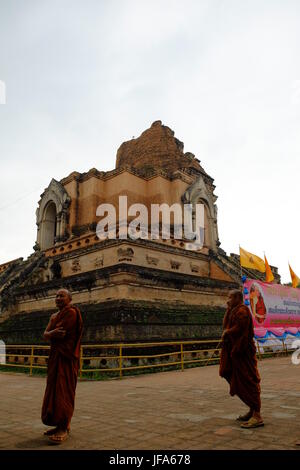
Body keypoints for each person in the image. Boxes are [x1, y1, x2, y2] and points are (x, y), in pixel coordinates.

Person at [41, 288, 83, 443]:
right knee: (53, 390)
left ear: (69, 299)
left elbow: (62, 334)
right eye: (56, 296)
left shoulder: (71, 313)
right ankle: (59, 423)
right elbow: (46, 335)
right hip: (55, 357)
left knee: (64, 391)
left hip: (66, 358)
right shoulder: (54, 316)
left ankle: (64, 427)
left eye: (62, 296)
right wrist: (51, 334)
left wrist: (51, 334)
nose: (58, 298)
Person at [219, 289, 264, 428]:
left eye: (230, 297)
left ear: (238, 298)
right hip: (233, 351)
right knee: (226, 372)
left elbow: (240, 328)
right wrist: (228, 310)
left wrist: (228, 332)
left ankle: (257, 415)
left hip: (242, 351)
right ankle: (251, 409)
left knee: (248, 379)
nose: (228, 300)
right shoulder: (233, 310)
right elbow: (226, 325)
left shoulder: (242, 311)